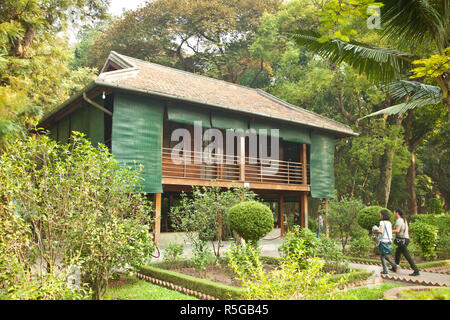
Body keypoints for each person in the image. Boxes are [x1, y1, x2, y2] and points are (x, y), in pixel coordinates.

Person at [392, 209, 420, 276]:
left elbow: (397, 230)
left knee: (407, 256)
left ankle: (416, 270)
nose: (394, 214)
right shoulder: (403, 219)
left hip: (402, 241)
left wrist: (388, 230)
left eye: (394, 212)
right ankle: (395, 267)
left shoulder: (399, 220)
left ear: (397, 213)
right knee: (397, 252)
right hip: (405, 239)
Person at [373, 210, 397, 275]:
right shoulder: (389, 223)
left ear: (383, 215)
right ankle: (394, 265)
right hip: (389, 240)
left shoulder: (382, 222)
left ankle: (385, 270)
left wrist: (375, 231)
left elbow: (381, 231)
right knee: (385, 255)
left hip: (383, 240)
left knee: (382, 256)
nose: (380, 215)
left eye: (380, 214)